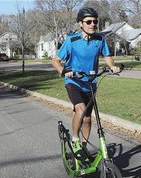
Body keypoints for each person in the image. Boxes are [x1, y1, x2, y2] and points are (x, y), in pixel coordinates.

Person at [51, 7, 120, 159]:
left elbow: (107, 56)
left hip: (90, 83)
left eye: (95, 21)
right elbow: (55, 61)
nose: (92, 24)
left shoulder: (100, 39)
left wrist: (112, 66)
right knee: (80, 110)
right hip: (73, 82)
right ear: (80, 24)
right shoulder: (72, 40)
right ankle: (75, 140)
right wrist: (63, 71)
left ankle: (83, 148)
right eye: (88, 21)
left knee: (88, 119)